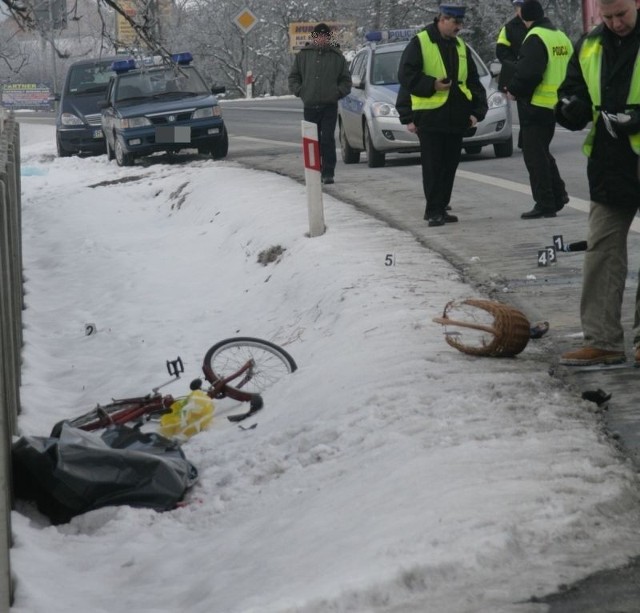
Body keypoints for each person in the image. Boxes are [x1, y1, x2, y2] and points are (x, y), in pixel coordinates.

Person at [555, 0, 640, 366]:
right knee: (601, 252)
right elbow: (571, 91)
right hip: (610, 161)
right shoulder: (589, 44)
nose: (615, 23)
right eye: (607, 17)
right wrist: (569, 106)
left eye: (621, 14)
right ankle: (603, 340)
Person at [398, 4, 487, 227]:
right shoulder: (420, 42)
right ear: (442, 19)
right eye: (455, 23)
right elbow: (406, 76)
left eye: (461, 23)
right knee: (433, 166)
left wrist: (477, 112)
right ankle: (433, 210)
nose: (459, 27)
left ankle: (441, 206)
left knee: (449, 165)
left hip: (456, 116)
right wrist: (432, 85)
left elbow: (473, 82)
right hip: (430, 116)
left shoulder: (461, 46)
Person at [506, 0, 572, 219]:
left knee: (534, 156)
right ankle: (558, 195)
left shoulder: (535, 38)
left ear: (524, 18)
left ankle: (545, 203)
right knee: (541, 152)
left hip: (537, 105)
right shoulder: (560, 36)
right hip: (557, 104)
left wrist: (513, 89)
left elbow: (528, 73)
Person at [288, 23, 352, 185]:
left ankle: (328, 172)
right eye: (319, 36)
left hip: (329, 106)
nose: (322, 39)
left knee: (327, 139)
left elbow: (346, 80)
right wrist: (301, 91)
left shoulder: (337, 57)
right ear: (314, 37)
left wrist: (337, 92)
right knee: (312, 140)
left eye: (325, 36)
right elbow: (293, 77)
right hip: (310, 105)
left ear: (329, 38)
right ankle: (314, 170)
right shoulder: (303, 56)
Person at [495, 0, 528, 149]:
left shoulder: (538, 26)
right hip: (519, 74)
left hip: (537, 73)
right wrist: (516, 64)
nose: (519, 10)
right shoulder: (509, 28)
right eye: (518, 8)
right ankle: (526, 140)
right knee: (524, 109)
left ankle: (528, 140)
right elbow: (501, 51)